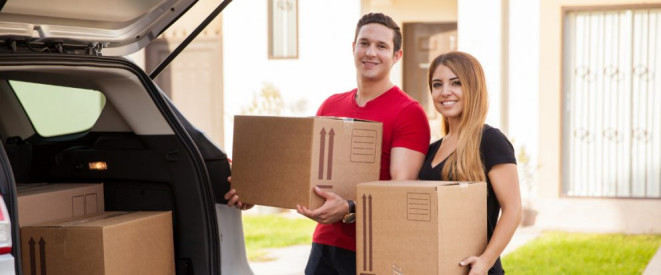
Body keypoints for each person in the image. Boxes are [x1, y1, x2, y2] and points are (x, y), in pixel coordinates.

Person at [225, 12, 431, 275]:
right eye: (364, 43)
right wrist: (255, 193)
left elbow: (400, 190)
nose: (371, 52)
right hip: (324, 244)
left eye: (382, 46)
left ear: (397, 56)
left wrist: (349, 209)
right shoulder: (331, 105)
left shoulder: (408, 112)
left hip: (371, 249)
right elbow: (304, 172)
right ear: (353, 47)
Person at [417, 51, 522, 275]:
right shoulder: (431, 150)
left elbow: (513, 210)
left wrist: (484, 261)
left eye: (456, 83)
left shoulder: (490, 140)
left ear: (473, 87)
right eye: (437, 85)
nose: (445, 92)